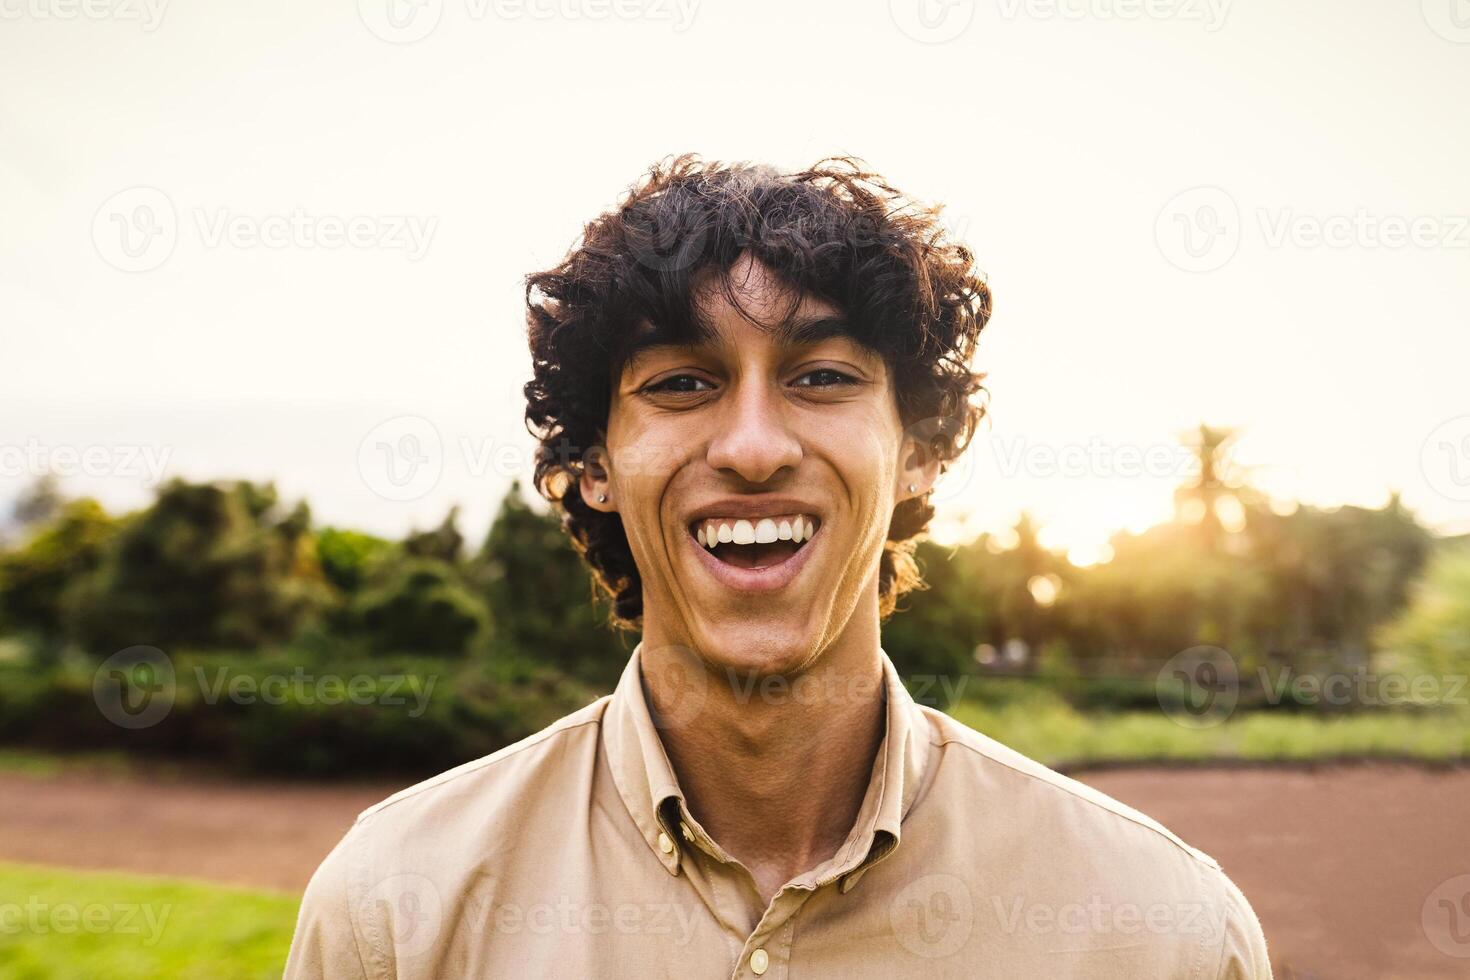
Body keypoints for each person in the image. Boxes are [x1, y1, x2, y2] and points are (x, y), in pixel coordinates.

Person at [285, 156, 1272, 978]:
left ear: (919, 448)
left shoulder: (1163, 931)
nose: (753, 446)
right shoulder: (394, 916)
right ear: (591, 465)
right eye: (681, 381)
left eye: (822, 377)